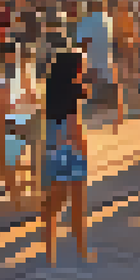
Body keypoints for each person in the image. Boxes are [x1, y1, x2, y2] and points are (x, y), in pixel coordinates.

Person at [40, 45, 94, 267]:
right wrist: (83, 148)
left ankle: (49, 253)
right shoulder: (74, 91)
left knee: (54, 203)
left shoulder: (52, 92)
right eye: (82, 64)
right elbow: (74, 125)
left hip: (53, 148)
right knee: (78, 204)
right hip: (71, 150)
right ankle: (81, 250)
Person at [76, 0, 121, 130]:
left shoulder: (86, 21)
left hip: (93, 64)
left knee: (95, 98)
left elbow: (82, 44)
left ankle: (99, 120)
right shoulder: (108, 20)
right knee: (107, 94)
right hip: (108, 63)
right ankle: (113, 120)